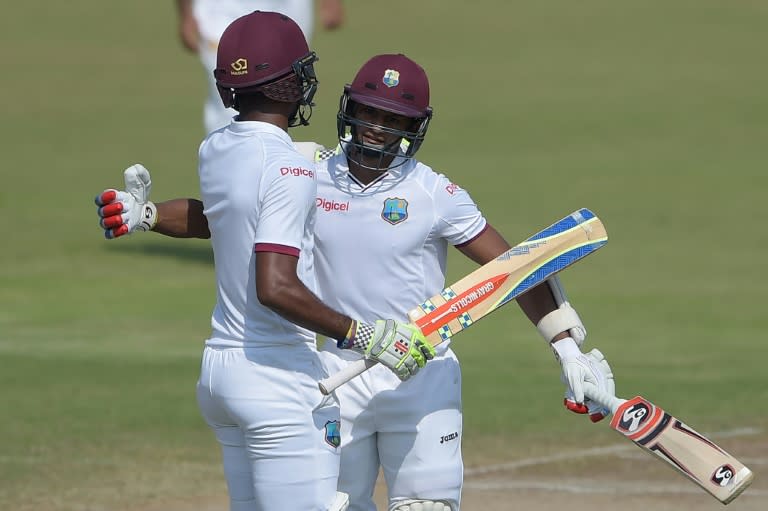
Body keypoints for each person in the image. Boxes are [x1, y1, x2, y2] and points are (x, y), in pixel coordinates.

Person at [95, 53, 616, 510]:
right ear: (348, 109)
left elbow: (514, 268)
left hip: (421, 369)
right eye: (367, 112)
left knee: (425, 507)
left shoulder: (437, 193)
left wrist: (568, 350)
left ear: (416, 127)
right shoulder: (304, 170)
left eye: (392, 119)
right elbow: (221, 214)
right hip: (333, 373)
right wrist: (147, 214)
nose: (374, 128)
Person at [96, 13, 436, 511]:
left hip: (221, 375)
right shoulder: (291, 167)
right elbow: (273, 287)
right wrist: (365, 334)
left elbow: (223, 216)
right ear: (285, 85)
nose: (307, 81)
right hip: (277, 379)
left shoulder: (215, 148)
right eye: (301, 71)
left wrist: (148, 214)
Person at [176, 0, 345, 134]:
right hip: (222, 14)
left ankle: (275, 167)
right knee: (230, 104)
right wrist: (186, 14)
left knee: (283, 97)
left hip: (286, 10)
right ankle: (231, 167)